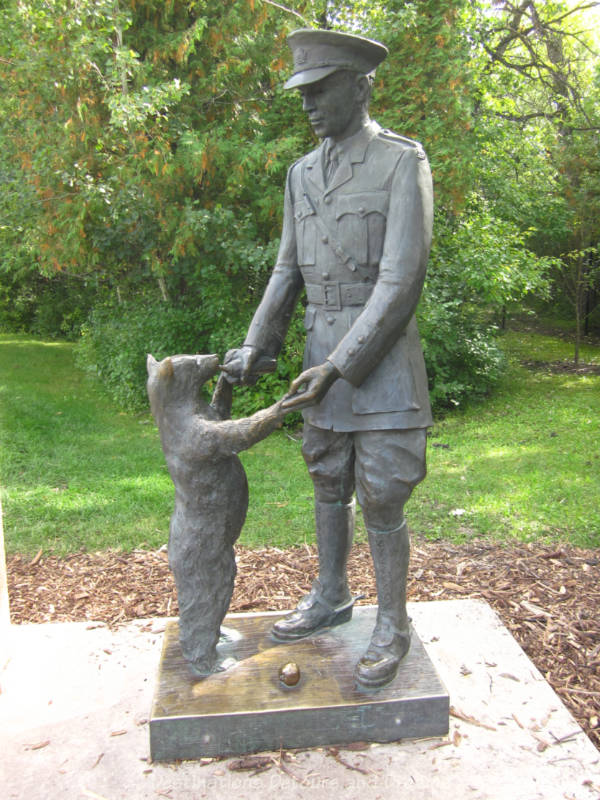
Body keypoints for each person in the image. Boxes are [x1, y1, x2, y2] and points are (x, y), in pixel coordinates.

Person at [223, 28, 433, 688]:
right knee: (327, 482)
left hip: (380, 365)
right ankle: (331, 593)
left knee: (382, 495)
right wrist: (258, 343)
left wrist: (342, 364)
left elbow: (402, 281)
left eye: (320, 91)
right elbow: (287, 270)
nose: (308, 105)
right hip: (321, 362)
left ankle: (392, 622)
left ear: (360, 85)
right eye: (302, 94)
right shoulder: (300, 174)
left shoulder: (402, 161)